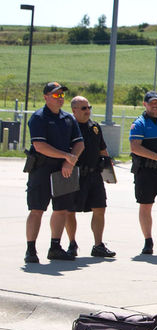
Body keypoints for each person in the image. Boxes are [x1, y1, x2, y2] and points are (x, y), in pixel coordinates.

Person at [24, 82, 83, 264]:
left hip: (63, 169)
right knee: (37, 209)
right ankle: (31, 249)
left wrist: (69, 161)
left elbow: (79, 143)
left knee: (61, 210)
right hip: (42, 169)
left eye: (62, 95)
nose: (60, 99)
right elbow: (39, 146)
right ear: (46, 97)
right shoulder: (39, 118)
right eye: (56, 95)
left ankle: (55, 247)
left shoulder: (68, 118)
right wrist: (66, 155)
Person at [65, 95, 116, 258]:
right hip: (75, 174)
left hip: (94, 174)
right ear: (74, 110)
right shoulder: (68, 127)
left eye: (89, 108)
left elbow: (102, 149)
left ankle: (98, 245)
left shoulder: (94, 127)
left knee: (100, 208)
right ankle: (72, 244)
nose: (87, 111)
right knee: (70, 210)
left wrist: (108, 167)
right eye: (83, 108)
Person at [129, 90, 157, 255]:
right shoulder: (139, 123)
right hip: (146, 172)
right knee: (145, 206)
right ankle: (148, 241)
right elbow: (135, 147)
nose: (155, 105)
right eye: (151, 102)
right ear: (145, 104)